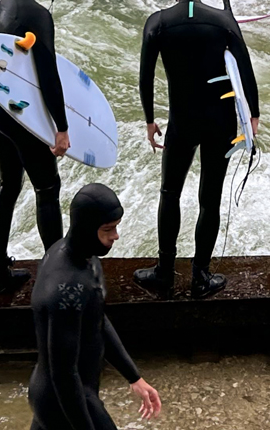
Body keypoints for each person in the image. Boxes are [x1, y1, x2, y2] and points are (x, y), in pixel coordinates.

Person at [135, 0, 260, 300]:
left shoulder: (157, 24)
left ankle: (164, 273)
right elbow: (246, 69)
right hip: (220, 121)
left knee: (169, 193)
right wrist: (254, 115)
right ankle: (200, 276)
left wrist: (149, 119)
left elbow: (145, 78)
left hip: (182, 122)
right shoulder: (223, 21)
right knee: (210, 198)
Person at [29, 183, 161, 430]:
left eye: (116, 227)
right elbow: (63, 375)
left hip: (70, 391)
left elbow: (96, 320)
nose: (116, 236)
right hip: (62, 400)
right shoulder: (67, 289)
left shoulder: (84, 260)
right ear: (86, 229)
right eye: (108, 230)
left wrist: (134, 377)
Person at [0, 0, 70, 293]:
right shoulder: (36, 14)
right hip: (19, 115)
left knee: (9, 184)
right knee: (48, 187)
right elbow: (48, 75)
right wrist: (61, 128)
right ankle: (59, 277)